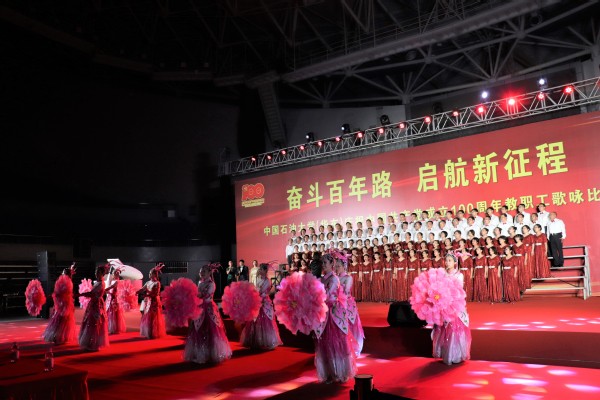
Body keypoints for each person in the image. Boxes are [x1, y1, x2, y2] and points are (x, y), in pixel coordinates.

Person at [314, 253, 356, 383]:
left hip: (333, 314)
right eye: (322, 263)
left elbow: (326, 296)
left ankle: (339, 372)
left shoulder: (333, 279)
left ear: (332, 264)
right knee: (325, 343)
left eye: (325, 263)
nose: (323, 265)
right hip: (324, 313)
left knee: (335, 343)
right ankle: (328, 372)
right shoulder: (322, 279)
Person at [184, 265, 232, 364]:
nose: (201, 273)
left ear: (209, 273)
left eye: (204, 271)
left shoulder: (211, 284)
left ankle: (211, 353)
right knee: (198, 329)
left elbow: (206, 295)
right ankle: (199, 353)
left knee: (210, 330)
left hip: (209, 309)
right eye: (200, 272)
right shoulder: (200, 282)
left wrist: (196, 294)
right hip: (199, 308)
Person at [431, 253, 471, 365]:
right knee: (443, 329)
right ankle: (445, 353)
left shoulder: (459, 275)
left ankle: (455, 355)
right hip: (443, 304)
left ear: (455, 262)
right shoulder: (442, 275)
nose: (447, 262)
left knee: (454, 328)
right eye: (446, 260)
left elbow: (458, 290)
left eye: (450, 260)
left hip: (454, 305)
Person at [240, 263, 282, 350]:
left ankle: (265, 341)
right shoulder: (258, 279)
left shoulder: (267, 281)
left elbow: (261, 291)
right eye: (260, 269)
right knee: (254, 320)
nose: (260, 271)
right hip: (257, 300)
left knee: (264, 320)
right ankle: (254, 340)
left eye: (261, 269)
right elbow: (256, 289)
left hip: (264, 302)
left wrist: (255, 292)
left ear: (265, 271)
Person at [336, 256, 365, 357]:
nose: (336, 268)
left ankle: (353, 347)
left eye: (338, 266)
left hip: (347, 304)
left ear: (344, 266)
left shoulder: (348, 278)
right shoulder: (335, 278)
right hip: (337, 304)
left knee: (350, 325)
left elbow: (346, 291)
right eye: (335, 266)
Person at [43, 265, 77, 344]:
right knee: (60, 320)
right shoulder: (66, 281)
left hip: (65, 304)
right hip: (62, 304)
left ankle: (60, 337)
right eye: (63, 273)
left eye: (64, 273)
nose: (63, 275)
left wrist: (56, 295)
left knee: (62, 320)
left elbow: (64, 293)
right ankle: (58, 336)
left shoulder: (68, 282)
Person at [78, 264, 109, 351]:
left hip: (97, 305)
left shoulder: (101, 283)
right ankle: (90, 343)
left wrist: (81, 294)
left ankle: (94, 343)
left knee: (94, 323)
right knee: (90, 323)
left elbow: (92, 294)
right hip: (94, 304)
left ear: (102, 274)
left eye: (98, 272)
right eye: (95, 272)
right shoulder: (97, 282)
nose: (96, 273)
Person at [137, 263, 166, 339]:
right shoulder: (148, 282)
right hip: (148, 301)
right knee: (147, 316)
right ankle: (148, 332)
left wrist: (147, 293)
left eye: (151, 273)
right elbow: (142, 289)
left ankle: (154, 333)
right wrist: (137, 291)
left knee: (153, 317)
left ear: (155, 274)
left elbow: (156, 293)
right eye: (149, 273)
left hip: (154, 302)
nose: (149, 274)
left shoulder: (157, 283)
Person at [105, 266, 126, 334]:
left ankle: (115, 328)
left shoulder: (117, 281)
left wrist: (105, 290)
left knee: (114, 313)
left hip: (114, 298)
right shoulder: (113, 280)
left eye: (116, 273)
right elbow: (110, 288)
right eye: (114, 273)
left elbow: (111, 287)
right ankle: (110, 327)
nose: (114, 274)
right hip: (110, 297)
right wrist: (108, 292)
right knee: (110, 312)